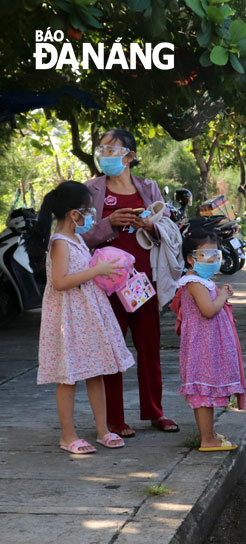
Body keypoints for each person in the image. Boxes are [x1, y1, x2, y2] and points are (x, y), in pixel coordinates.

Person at [81, 128, 179, 437]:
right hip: (107, 284)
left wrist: (148, 225)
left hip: (143, 282)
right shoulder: (90, 190)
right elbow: (80, 237)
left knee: (149, 348)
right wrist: (110, 223)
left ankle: (155, 412)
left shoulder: (148, 188)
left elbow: (167, 229)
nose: (105, 156)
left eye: (113, 151)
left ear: (130, 156)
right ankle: (115, 419)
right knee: (111, 350)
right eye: (102, 150)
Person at [27, 181, 134, 454]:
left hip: (87, 314)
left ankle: (102, 430)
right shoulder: (60, 242)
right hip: (69, 317)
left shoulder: (76, 239)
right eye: (87, 211)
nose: (91, 217)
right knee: (68, 377)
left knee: (96, 371)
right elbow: (60, 281)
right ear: (74, 214)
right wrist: (96, 269)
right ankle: (67, 435)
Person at [169, 229, 245, 452]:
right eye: (206, 254)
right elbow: (208, 310)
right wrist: (222, 296)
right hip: (203, 348)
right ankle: (207, 438)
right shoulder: (195, 283)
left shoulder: (202, 281)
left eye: (215, 254)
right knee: (203, 393)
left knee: (207, 392)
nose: (213, 259)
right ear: (191, 258)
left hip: (207, 345)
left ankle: (209, 433)